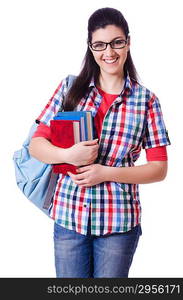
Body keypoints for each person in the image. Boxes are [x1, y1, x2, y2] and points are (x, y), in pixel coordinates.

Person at [29, 7, 171, 278]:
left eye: (117, 42)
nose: (109, 52)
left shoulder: (146, 101)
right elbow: (37, 146)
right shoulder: (69, 88)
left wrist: (106, 173)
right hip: (69, 218)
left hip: (119, 224)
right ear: (90, 47)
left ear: (128, 42)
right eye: (100, 44)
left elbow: (159, 169)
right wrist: (69, 155)